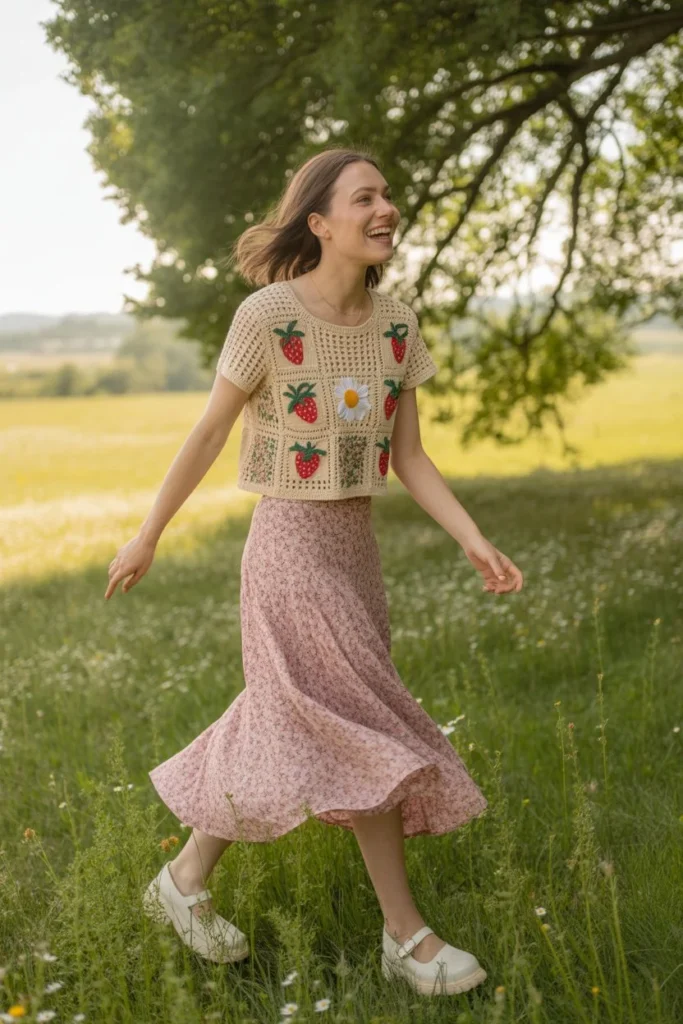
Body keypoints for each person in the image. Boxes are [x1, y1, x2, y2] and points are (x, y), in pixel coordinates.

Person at [105, 147, 523, 997]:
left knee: (292, 714)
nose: (386, 209)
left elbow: (409, 455)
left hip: (355, 552)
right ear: (319, 221)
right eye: (364, 197)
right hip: (288, 546)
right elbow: (209, 433)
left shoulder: (398, 326)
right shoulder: (267, 317)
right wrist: (148, 534)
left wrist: (471, 537)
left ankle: (182, 882)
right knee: (352, 722)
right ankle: (405, 940)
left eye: (388, 195)